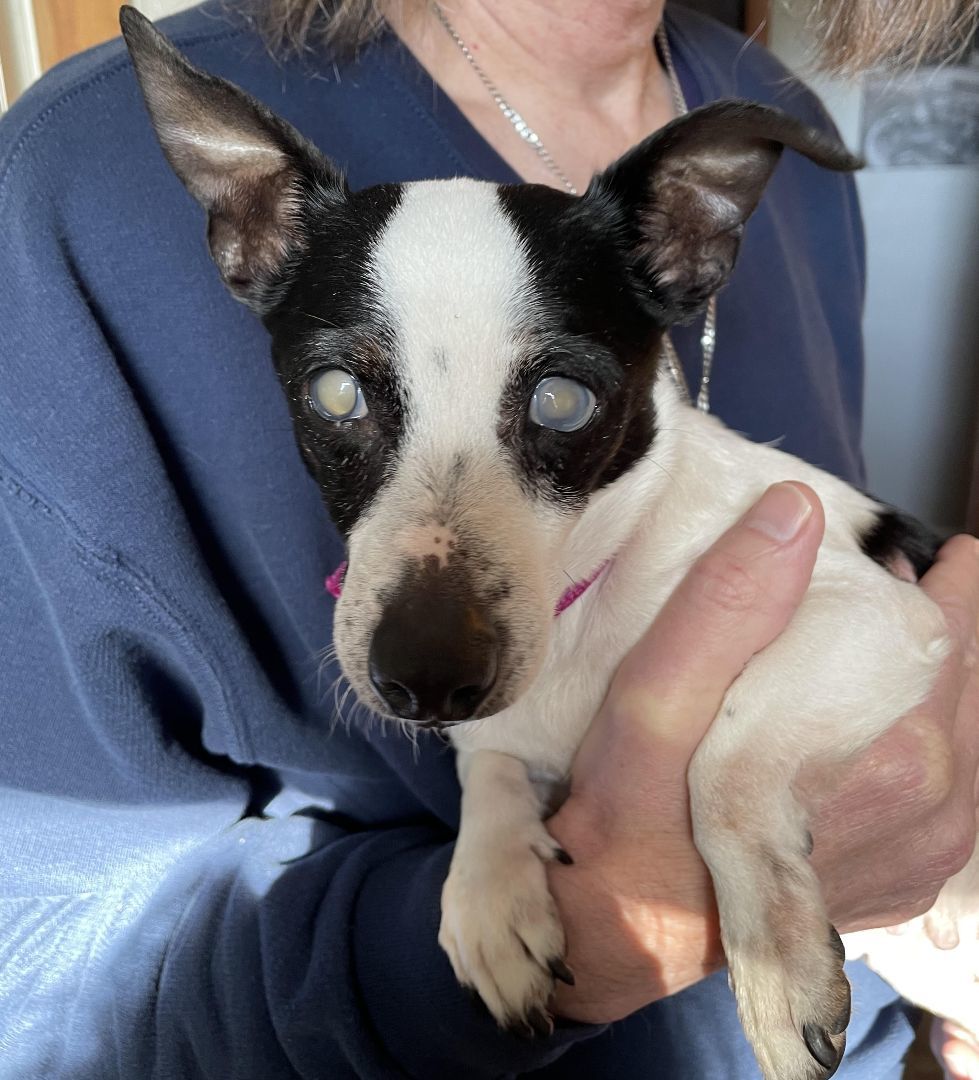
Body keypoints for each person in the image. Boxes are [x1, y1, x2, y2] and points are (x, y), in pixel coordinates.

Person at [0, 1, 976, 1077]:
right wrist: (601, 931)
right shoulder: (75, 184)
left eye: (556, 399)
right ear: (245, 234)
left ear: (695, 240)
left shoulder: (766, 109)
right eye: (342, 392)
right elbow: (37, 965)